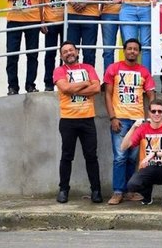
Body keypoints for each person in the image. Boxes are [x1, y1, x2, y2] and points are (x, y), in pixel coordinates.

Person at [103, 38, 156, 205]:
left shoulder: (144, 71)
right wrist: (113, 117)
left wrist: (150, 116)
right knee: (120, 157)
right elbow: (107, 94)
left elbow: (151, 94)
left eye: (135, 49)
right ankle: (118, 192)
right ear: (124, 50)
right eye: (129, 48)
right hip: (120, 119)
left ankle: (129, 191)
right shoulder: (114, 68)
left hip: (138, 122)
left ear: (139, 53)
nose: (132, 51)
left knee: (133, 159)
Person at [53, 41, 102, 204]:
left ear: (77, 51)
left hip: (87, 119)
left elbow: (96, 89)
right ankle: (63, 190)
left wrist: (75, 88)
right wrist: (85, 83)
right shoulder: (59, 70)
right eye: (65, 51)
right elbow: (65, 89)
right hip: (68, 120)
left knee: (91, 156)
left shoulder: (88, 68)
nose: (68, 53)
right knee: (67, 156)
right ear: (61, 56)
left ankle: (96, 190)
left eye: (71, 50)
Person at [121, 98, 162, 208]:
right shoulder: (142, 129)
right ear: (149, 113)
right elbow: (123, 147)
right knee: (131, 185)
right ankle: (147, 195)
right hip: (147, 169)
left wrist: (154, 154)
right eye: (153, 111)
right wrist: (133, 127)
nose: (156, 114)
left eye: (160, 111)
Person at [0, 0, 41, 95]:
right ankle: (12, 87)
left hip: (33, 20)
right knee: (12, 55)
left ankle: (30, 85)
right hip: (13, 20)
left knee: (32, 55)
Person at [37, 0, 66, 91]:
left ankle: (64, 82)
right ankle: (48, 83)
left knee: (66, 53)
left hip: (67, 20)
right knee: (50, 53)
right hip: (50, 19)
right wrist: (41, 20)